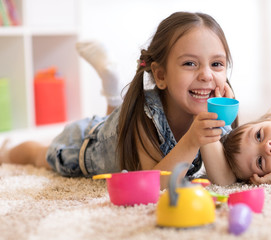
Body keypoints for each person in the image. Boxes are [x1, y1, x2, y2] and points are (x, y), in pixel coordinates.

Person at [0, 12, 238, 189]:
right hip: (85, 144)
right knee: (40, 155)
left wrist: (207, 127)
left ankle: (112, 95)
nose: (207, 75)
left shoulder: (211, 114)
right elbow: (155, 183)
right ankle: (6, 151)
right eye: (190, 63)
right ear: (161, 75)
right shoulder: (146, 114)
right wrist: (193, 139)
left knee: (113, 122)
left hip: (114, 130)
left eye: (216, 64)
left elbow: (225, 181)